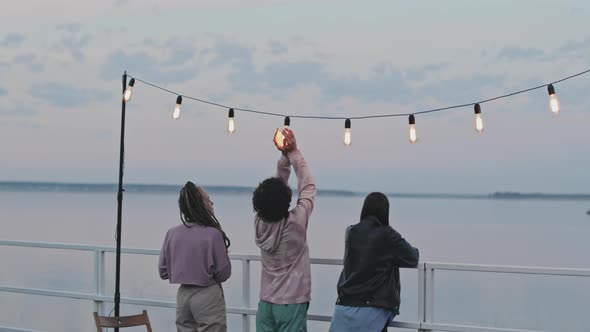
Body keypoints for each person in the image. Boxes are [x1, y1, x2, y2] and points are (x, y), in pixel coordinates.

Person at [253, 128, 317, 332]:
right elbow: (307, 187)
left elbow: (274, 195)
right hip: (292, 304)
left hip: (265, 304)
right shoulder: (296, 223)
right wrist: (293, 152)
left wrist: (284, 157)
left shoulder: (259, 223)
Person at [329, 192, 419, 332]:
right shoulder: (387, 234)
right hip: (373, 309)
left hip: (344, 304)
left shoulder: (351, 231)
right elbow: (413, 258)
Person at [159, 181, 232, 332]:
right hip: (207, 294)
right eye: (208, 199)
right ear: (200, 205)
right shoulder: (213, 234)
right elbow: (224, 274)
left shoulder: (172, 233)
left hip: (183, 296)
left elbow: (163, 271)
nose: (212, 203)